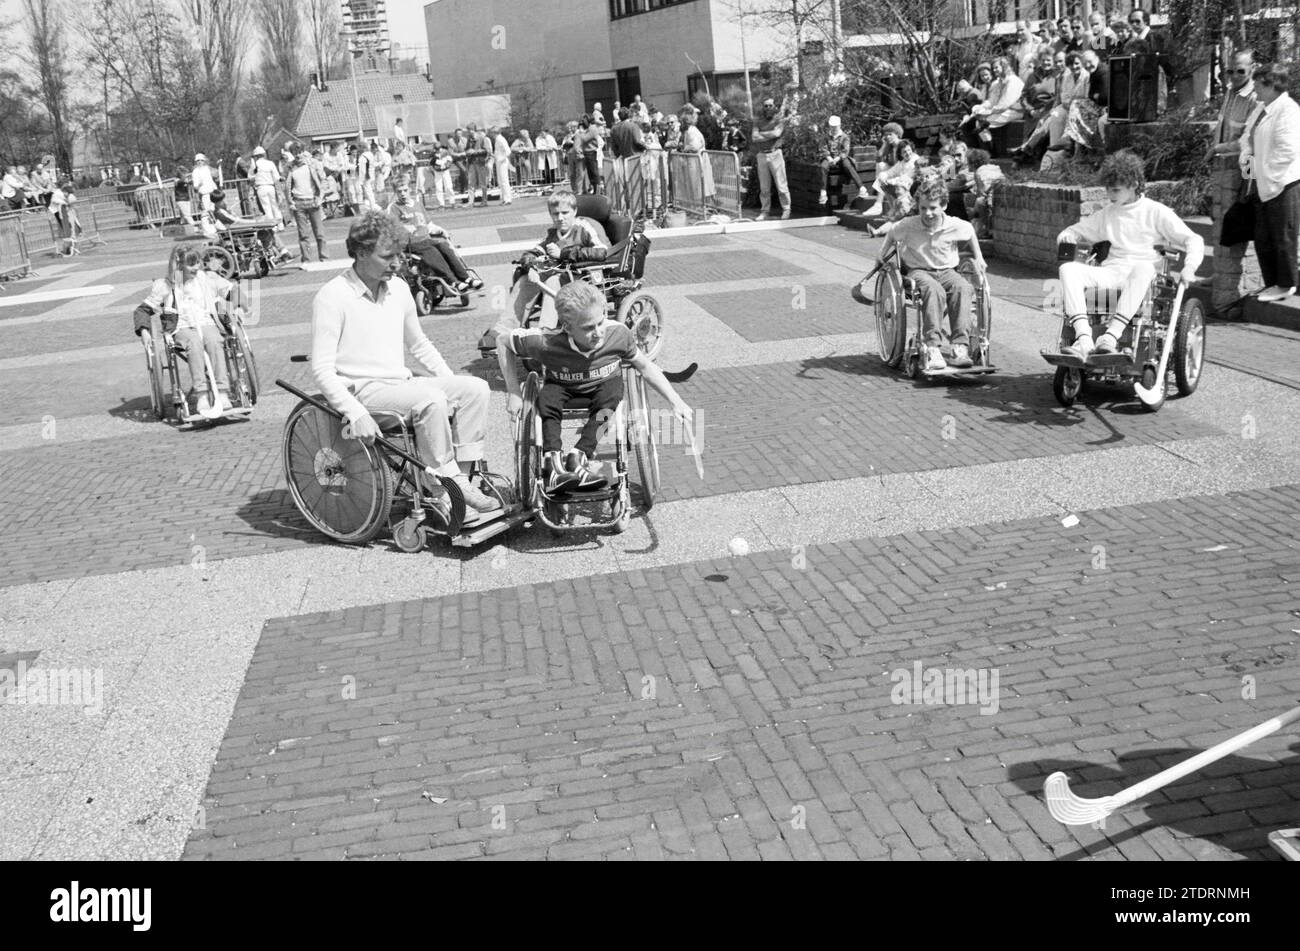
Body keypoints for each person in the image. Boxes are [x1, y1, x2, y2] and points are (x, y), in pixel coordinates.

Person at [309, 212, 500, 516]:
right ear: (360, 253)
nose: (397, 262)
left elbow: (420, 344)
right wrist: (355, 412)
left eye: (399, 254)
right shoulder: (332, 297)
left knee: (474, 388)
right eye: (387, 256)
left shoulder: (398, 288)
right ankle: (444, 488)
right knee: (430, 400)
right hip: (364, 391)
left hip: (400, 386)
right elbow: (321, 369)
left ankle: (459, 482)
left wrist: (451, 383)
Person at [496, 281, 692, 494]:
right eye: (588, 328)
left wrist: (676, 401)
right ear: (568, 327)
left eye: (600, 322)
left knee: (612, 395)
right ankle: (552, 463)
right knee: (547, 401)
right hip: (562, 385)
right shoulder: (545, 341)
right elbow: (502, 341)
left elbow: (645, 366)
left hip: (603, 386)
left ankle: (579, 456)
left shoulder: (618, 334)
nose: (598, 332)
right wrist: (514, 391)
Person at [1056, 150, 1205, 361]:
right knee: (1067, 269)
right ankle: (1084, 339)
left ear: (1134, 184)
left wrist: (1189, 267)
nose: (1110, 195)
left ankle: (1110, 336)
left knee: (1144, 267)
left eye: (1116, 190)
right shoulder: (1108, 213)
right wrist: (1066, 237)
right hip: (1113, 271)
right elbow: (1074, 231)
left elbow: (1193, 239)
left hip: (1143, 277)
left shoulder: (1156, 211)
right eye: (1108, 189)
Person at [877, 177, 988, 372]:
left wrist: (978, 257)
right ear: (918, 207)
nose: (927, 213)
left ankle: (959, 347)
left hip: (947, 271)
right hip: (918, 272)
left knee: (963, 287)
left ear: (944, 205)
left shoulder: (954, 224)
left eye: (933, 208)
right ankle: (932, 347)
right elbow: (892, 234)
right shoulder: (909, 224)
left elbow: (970, 231)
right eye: (923, 208)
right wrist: (880, 255)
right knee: (933, 290)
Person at [134, 245, 244, 416]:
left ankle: (222, 392)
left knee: (215, 341)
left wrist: (237, 308)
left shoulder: (207, 278)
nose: (197, 267)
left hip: (207, 322)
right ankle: (202, 395)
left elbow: (234, 290)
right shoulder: (165, 285)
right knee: (194, 343)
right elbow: (142, 310)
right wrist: (144, 331)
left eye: (198, 262)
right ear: (178, 265)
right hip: (181, 327)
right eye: (191, 264)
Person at [503, 189, 608, 335]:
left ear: (575, 211)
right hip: (561, 275)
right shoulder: (553, 234)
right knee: (526, 279)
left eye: (565, 213)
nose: (560, 218)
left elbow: (602, 251)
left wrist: (563, 253)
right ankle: (503, 329)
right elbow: (532, 252)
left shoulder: (585, 227)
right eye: (555, 213)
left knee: (553, 280)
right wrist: (531, 266)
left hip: (582, 277)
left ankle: (545, 333)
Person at [1239, 63, 1300, 302]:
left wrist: (1264, 172)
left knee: (1283, 235)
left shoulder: (1289, 110)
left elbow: (1288, 151)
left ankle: (1287, 284)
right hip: (1261, 183)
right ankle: (1272, 282)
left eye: (1258, 84)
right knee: (1263, 236)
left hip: (1282, 183)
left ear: (1272, 84)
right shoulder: (1260, 109)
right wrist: (1250, 168)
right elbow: (1247, 138)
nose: (1255, 89)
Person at [1204, 50, 1259, 315]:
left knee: (1231, 232)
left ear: (1252, 68)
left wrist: (1217, 149)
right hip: (1221, 169)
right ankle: (1219, 275)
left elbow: (1247, 140)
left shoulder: (1255, 97)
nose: (1235, 76)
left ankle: (1227, 300)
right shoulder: (1229, 92)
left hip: (1240, 170)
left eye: (1241, 71)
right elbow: (1223, 126)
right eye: (1230, 71)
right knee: (1218, 227)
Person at [385, 181, 480, 293]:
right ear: (395, 192)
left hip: (426, 239)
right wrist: (404, 230)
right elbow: (392, 228)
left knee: (444, 246)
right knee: (432, 251)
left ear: (410, 189)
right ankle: (453, 281)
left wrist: (440, 230)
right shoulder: (394, 208)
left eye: (405, 190)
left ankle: (466, 278)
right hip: (411, 243)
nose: (403, 194)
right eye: (399, 191)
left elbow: (429, 224)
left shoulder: (417, 204)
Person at [209, 190, 294, 264]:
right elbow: (236, 221)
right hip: (237, 231)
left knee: (268, 231)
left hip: (238, 229)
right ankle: (278, 254)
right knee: (266, 232)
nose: (224, 201)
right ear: (216, 202)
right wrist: (254, 222)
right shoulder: (220, 212)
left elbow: (236, 219)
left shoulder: (223, 210)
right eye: (221, 200)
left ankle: (281, 253)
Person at [750, 97, 790, 220]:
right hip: (762, 155)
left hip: (775, 154)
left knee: (781, 185)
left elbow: (777, 134)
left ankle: (786, 209)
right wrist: (770, 134)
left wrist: (762, 133)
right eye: (765, 106)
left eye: (770, 105)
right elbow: (754, 138)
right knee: (764, 187)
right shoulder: (758, 121)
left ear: (775, 107)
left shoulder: (779, 120)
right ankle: (764, 211)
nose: (768, 108)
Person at [1065, 49, 1110, 158]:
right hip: (1100, 106)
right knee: (1075, 108)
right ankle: (1076, 145)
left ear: (1096, 59)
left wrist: (1095, 96)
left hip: (1106, 108)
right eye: (1085, 64)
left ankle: (1075, 145)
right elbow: (1092, 95)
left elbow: (1103, 97)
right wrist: (1095, 96)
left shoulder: (1103, 72)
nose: (1088, 65)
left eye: (1090, 62)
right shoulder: (1094, 73)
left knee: (1076, 105)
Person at [287, 148, 329, 262]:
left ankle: (324, 257)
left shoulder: (313, 164)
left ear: (304, 152)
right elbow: (288, 186)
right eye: (295, 153)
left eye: (299, 152)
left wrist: (320, 197)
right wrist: (290, 202)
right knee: (303, 234)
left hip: (313, 201)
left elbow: (323, 180)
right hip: (298, 202)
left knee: (319, 232)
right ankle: (306, 259)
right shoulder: (291, 167)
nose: (297, 155)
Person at [817, 115, 867, 207]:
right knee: (823, 166)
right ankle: (823, 192)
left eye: (835, 126)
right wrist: (829, 158)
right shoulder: (825, 137)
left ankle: (861, 187)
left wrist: (837, 158)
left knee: (847, 165)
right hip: (829, 158)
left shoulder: (845, 137)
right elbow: (823, 149)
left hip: (840, 158)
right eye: (832, 126)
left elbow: (845, 150)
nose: (833, 128)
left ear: (839, 125)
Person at [249, 146, 283, 222]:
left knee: (266, 207)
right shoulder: (270, 163)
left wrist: (256, 176)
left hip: (260, 187)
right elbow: (276, 177)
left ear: (256, 156)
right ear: (264, 154)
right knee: (275, 206)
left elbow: (250, 177)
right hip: (271, 186)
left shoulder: (254, 165)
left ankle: (273, 226)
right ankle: (280, 224)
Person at [465, 123, 492, 206]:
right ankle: (471, 202)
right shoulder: (469, 139)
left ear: (474, 130)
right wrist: (467, 152)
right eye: (468, 130)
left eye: (469, 130)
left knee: (482, 183)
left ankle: (484, 201)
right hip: (472, 163)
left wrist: (475, 151)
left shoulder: (482, 138)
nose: (468, 132)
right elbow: (466, 149)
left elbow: (487, 151)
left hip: (480, 163)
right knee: (470, 182)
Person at [578, 116, 604, 195]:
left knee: (594, 173)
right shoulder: (589, 129)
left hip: (591, 152)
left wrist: (581, 131)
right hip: (587, 153)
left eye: (584, 121)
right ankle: (595, 190)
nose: (582, 123)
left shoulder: (592, 128)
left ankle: (598, 191)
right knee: (590, 174)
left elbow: (585, 139)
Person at [491, 127, 513, 205]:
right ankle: (504, 198)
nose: (491, 134)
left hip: (502, 162)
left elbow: (508, 151)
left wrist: (501, 158)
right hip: (499, 161)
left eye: (492, 133)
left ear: (495, 133)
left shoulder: (501, 139)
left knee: (504, 181)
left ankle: (507, 199)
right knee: (501, 181)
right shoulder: (498, 139)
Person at [431, 140, 456, 208]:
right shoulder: (433, 154)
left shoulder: (445, 152)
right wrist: (436, 167)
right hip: (437, 172)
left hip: (445, 171)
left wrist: (445, 166)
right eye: (436, 148)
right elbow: (431, 163)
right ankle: (441, 204)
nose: (437, 149)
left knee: (448, 186)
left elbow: (450, 160)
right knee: (439, 188)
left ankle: (452, 202)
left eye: (438, 148)